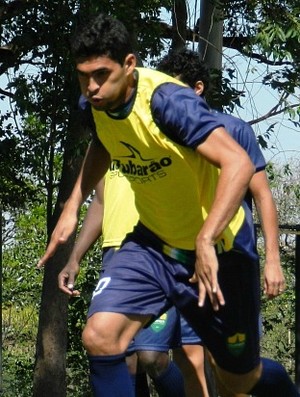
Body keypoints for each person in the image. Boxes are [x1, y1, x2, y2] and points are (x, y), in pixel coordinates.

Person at [38, 14, 299, 397]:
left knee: (236, 380)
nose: (91, 87)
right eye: (83, 76)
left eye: (101, 74)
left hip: (219, 255)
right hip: (153, 245)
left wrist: (208, 239)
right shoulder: (96, 101)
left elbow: (239, 164)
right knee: (101, 336)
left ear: (130, 65)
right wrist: (73, 203)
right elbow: (104, 140)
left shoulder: (169, 103)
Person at [157, 48, 286, 397]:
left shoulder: (234, 130)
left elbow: (262, 195)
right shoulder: (161, 138)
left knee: (230, 372)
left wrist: (272, 259)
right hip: (184, 265)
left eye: (175, 90)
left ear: (198, 89)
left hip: (232, 264)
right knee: (190, 361)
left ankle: (280, 383)